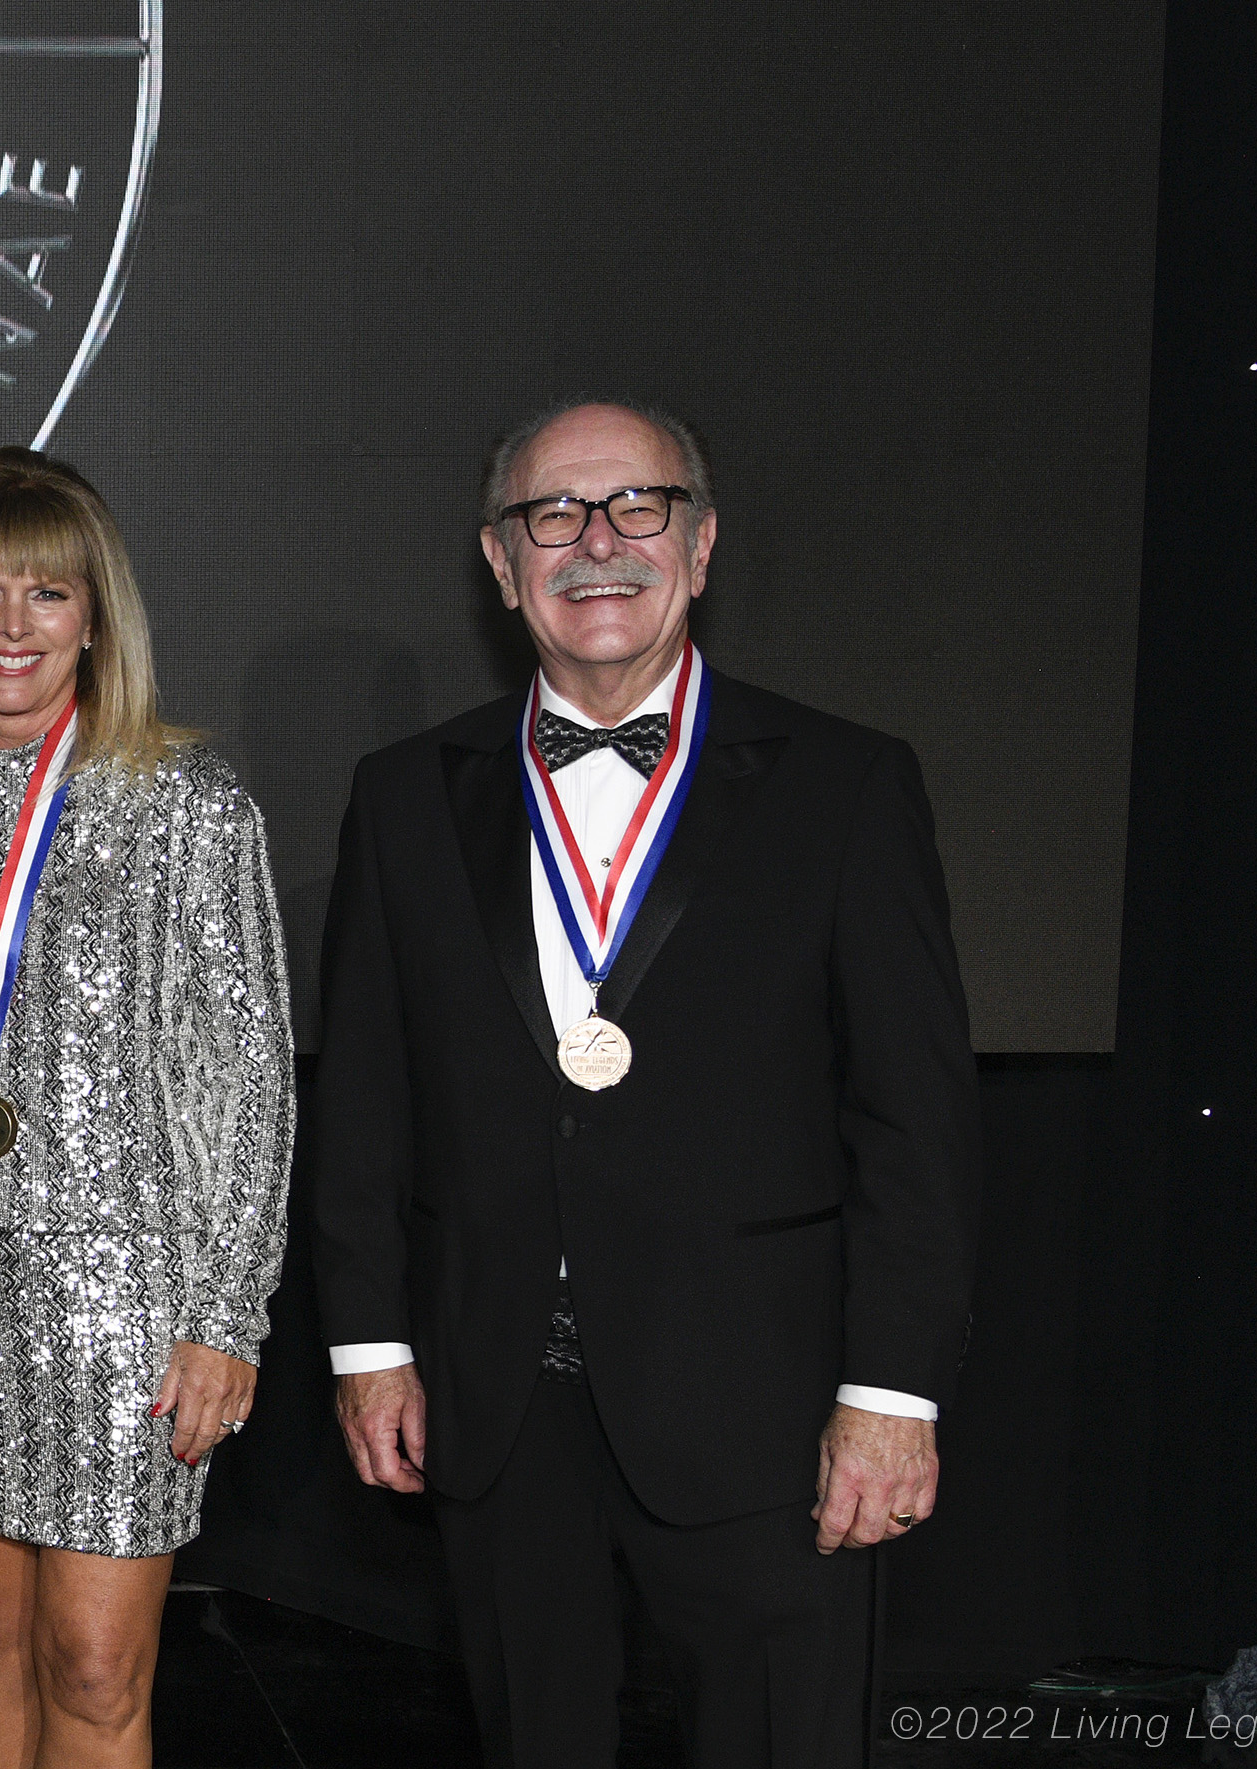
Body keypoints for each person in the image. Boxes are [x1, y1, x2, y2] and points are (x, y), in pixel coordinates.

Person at [304, 401, 981, 1768]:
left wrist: (893, 1392)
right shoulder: (403, 796)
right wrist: (369, 1345)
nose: (597, 543)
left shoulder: (848, 785)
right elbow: (368, 1095)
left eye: (640, 506)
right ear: (502, 564)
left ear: (703, 541)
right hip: (497, 1404)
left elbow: (915, 1121)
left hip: (770, 1411)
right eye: (554, 513)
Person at [0, 448, 291, 1769]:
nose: (15, 628)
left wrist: (225, 1313)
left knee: (95, 1668)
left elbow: (244, 1079)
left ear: (100, 613)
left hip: (127, 1292)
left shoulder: (192, 809)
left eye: (49, 594)